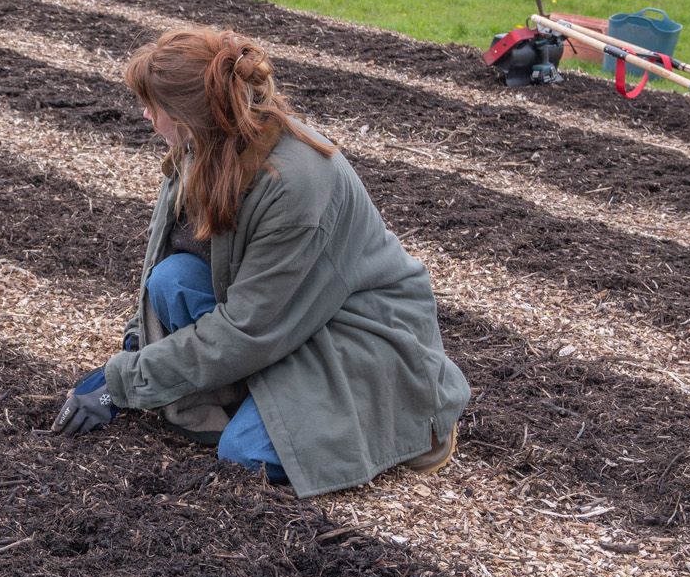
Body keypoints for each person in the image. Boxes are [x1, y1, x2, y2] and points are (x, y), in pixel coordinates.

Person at [52, 28, 467, 497]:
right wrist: (135, 350)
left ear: (188, 114)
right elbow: (162, 263)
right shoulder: (198, 152)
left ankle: (417, 422)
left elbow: (248, 330)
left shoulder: (296, 181)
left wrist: (122, 382)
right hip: (287, 318)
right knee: (171, 280)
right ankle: (268, 399)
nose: (146, 115)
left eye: (153, 104)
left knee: (243, 455)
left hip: (359, 334)